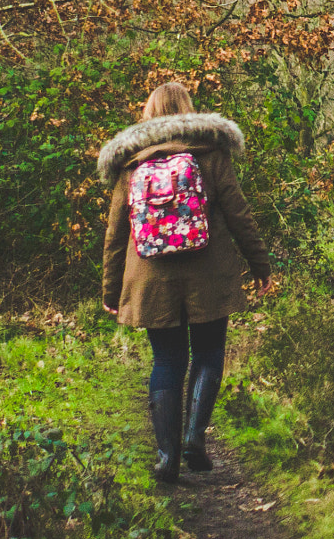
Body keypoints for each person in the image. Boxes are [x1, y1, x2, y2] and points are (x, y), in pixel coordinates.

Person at [98, 81, 275, 484]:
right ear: (189, 110)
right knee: (209, 351)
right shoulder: (211, 154)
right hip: (207, 272)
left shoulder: (132, 163)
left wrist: (111, 292)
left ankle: (166, 458)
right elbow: (239, 215)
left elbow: (115, 235)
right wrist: (260, 266)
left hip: (150, 277)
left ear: (149, 113)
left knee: (166, 361)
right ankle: (195, 436)